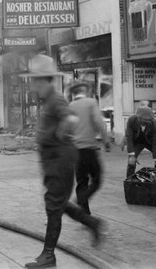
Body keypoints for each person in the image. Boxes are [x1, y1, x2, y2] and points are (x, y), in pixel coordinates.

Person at [25, 55, 103, 269]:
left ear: (42, 80)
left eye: (34, 81)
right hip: (53, 162)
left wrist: (60, 135)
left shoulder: (56, 98)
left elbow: (71, 119)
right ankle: (91, 222)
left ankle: (48, 255)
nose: (33, 85)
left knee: (53, 206)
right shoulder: (48, 99)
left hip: (59, 161)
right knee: (56, 204)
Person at [68, 79, 111, 215]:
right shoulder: (91, 103)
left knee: (81, 182)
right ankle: (82, 200)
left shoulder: (71, 106)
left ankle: (85, 213)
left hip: (76, 151)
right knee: (97, 180)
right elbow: (99, 122)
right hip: (89, 149)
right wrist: (106, 141)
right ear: (84, 91)